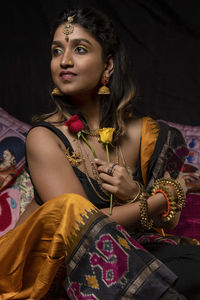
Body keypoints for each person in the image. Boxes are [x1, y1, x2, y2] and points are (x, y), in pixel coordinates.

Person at [0, 7, 200, 300]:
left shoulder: (149, 135)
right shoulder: (45, 138)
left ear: (108, 66)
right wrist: (157, 199)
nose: (64, 61)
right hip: (55, 270)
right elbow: (80, 226)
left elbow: (167, 221)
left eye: (79, 49)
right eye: (57, 51)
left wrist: (135, 194)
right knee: (70, 207)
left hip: (131, 255)